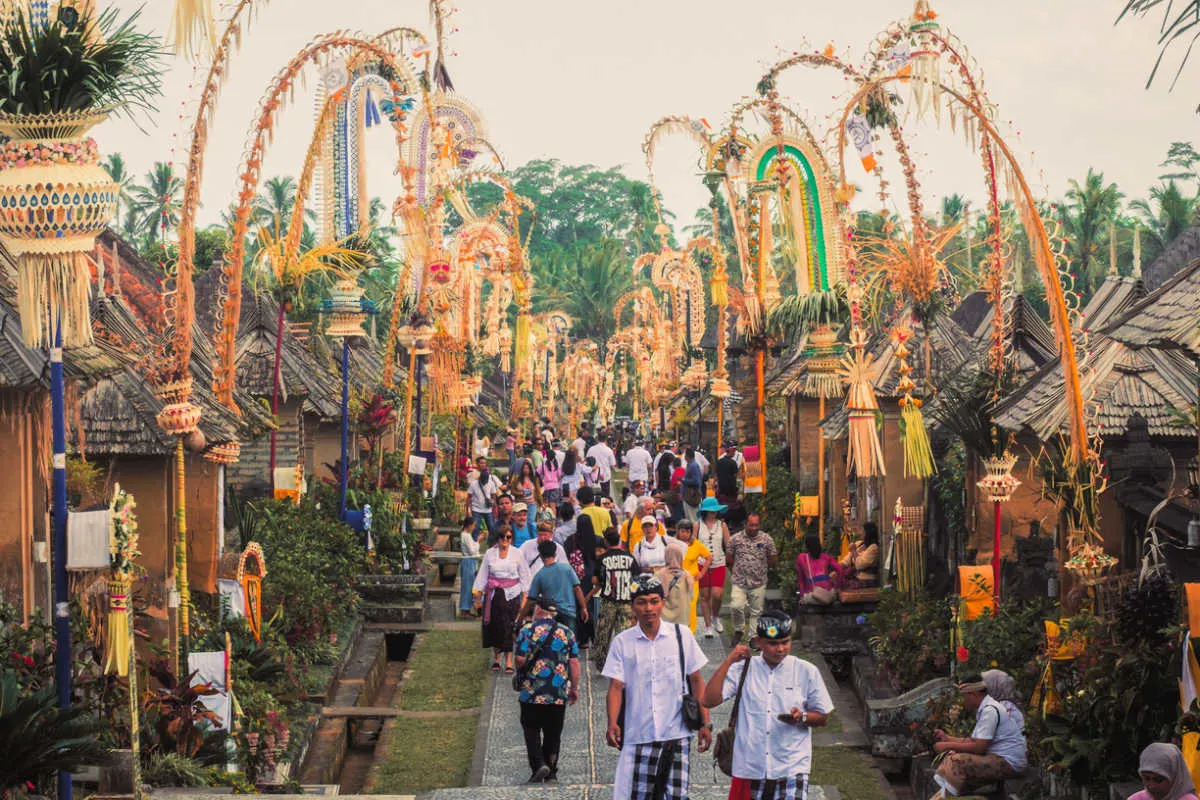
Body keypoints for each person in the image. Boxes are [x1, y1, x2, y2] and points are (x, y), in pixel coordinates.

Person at [702, 610, 834, 800]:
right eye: (773, 643)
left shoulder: (806, 671)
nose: (780, 649)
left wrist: (802, 717)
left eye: (785, 642)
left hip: (791, 765)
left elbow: (823, 717)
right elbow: (709, 700)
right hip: (751, 767)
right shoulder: (744, 669)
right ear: (759, 642)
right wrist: (729, 661)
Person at [603, 576, 712, 800]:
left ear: (663, 602)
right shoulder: (622, 642)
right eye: (641, 602)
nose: (648, 608)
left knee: (676, 795)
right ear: (632, 606)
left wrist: (705, 722)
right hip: (638, 734)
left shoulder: (682, 636)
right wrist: (612, 722)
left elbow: (697, 681)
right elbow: (616, 686)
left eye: (654, 601)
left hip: (676, 733)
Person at [514, 597, 581, 783]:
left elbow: (519, 660)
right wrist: (574, 688)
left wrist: (524, 665)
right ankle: (551, 769)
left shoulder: (527, 631)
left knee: (531, 728)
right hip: (558, 694)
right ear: (554, 613)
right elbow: (574, 663)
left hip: (531, 693)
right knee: (553, 732)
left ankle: (538, 764)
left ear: (538, 609)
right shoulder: (567, 633)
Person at [931, 673, 1028, 799]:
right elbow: (974, 741)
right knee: (954, 765)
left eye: (964, 696)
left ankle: (947, 797)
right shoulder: (987, 708)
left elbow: (979, 747)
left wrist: (946, 745)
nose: (963, 700)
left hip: (1009, 762)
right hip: (999, 759)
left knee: (956, 761)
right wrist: (947, 738)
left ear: (973, 695)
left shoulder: (990, 710)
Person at [472, 524, 531, 674]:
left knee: (510, 627)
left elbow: (525, 576)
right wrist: (477, 598)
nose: (505, 540)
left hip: (512, 595)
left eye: (508, 537)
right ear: (497, 539)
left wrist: (525, 599)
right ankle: (497, 659)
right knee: (495, 626)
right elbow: (482, 576)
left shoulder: (517, 554)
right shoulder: (489, 554)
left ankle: (509, 661)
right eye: (502, 537)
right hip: (495, 596)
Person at [726, 513, 779, 646]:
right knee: (736, 606)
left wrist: (761, 567)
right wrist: (739, 569)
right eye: (751, 525)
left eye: (756, 525)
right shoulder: (735, 539)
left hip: (758, 582)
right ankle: (739, 630)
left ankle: (753, 637)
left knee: (756, 611)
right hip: (740, 581)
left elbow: (773, 558)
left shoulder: (766, 539)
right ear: (745, 525)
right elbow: (729, 558)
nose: (754, 528)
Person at [592, 528, 637, 671]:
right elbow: (636, 580)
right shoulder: (630, 558)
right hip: (626, 601)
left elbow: (595, 580)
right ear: (618, 541)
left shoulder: (602, 559)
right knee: (624, 634)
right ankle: (625, 664)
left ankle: (601, 665)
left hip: (608, 601)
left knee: (603, 634)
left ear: (606, 542)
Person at [519, 539, 589, 631]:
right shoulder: (567, 568)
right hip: (568, 614)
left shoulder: (539, 575)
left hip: (549, 615)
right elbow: (577, 589)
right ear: (555, 554)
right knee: (568, 642)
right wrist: (584, 608)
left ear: (540, 556)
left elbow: (530, 600)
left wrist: (520, 618)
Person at [696, 497, 731, 638]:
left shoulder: (722, 525)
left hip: (718, 562)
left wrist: (731, 558)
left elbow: (728, 544)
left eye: (715, 511)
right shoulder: (697, 525)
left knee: (717, 594)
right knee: (705, 596)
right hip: (702, 563)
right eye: (710, 511)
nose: (713, 513)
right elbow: (693, 543)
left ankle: (715, 616)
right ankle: (708, 625)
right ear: (705, 512)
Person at [674, 520, 710, 632]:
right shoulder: (673, 543)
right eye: (682, 531)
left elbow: (708, 557)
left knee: (691, 606)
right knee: (678, 606)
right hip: (677, 580)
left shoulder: (696, 544)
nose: (684, 534)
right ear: (678, 531)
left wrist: (702, 572)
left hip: (692, 580)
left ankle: (691, 632)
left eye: (687, 531)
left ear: (690, 532)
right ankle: (679, 630)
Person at [1130, 743, 1199, 800]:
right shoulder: (1138, 798)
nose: (1152, 786)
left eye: (1158, 780)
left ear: (1174, 777)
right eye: (1146, 778)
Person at [797, 534, 843, 606]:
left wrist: (802, 596)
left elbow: (801, 580)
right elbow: (840, 569)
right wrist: (836, 587)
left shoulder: (802, 558)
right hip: (828, 596)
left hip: (813, 596)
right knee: (832, 595)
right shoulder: (826, 557)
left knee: (806, 599)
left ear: (807, 546)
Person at [657, 543, 694, 626]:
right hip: (682, 616)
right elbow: (691, 596)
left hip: (665, 618)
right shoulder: (687, 575)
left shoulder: (660, 574)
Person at [467, 458, 502, 542]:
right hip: (476, 509)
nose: (485, 482)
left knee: (492, 528)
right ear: (480, 478)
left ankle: (493, 544)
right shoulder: (474, 484)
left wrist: (494, 506)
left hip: (488, 510)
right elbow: (469, 497)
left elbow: (493, 496)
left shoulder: (491, 483)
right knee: (476, 528)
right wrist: (467, 510)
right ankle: (474, 545)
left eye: (486, 480)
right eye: (484, 480)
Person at [840, 521, 880, 589]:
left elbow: (859, 565)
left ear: (868, 533)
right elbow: (847, 560)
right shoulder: (859, 544)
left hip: (867, 581)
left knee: (840, 585)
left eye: (863, 530)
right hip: (855, 577)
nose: (861, 533)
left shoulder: (873, 548)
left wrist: (853, 551)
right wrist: (836, 567)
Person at [458, 515, 484, 619]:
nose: (474, 527)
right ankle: (464, 611)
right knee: (467, 587)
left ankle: (467, 609)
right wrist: (478, 541)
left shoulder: (467, 535)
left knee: (470, 586)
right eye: (473, 525)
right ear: (469, 525)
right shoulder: (465, 536)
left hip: (471, 562)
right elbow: (472, 551)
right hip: (468, 561)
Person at [511, 460, 541, 526]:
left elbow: (538, 492)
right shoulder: (517, 479)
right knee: (520, 522)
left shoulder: (534, 479)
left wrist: (541, 503)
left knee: (530, 521)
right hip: (520, 504)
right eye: (524, 468)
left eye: (527, 468)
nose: (526, 470)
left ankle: (530, 535)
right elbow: (512, 491)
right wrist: (520, 493)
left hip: (531, 504)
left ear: (530, 469)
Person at [681, 447, 705, 523]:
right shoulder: (690, 465)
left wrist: (683, 480)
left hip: (692, 496)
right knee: (689, 517)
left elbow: (696, 481)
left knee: (693, 518)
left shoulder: (693, 466)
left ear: (687, 456)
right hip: (688, 495)